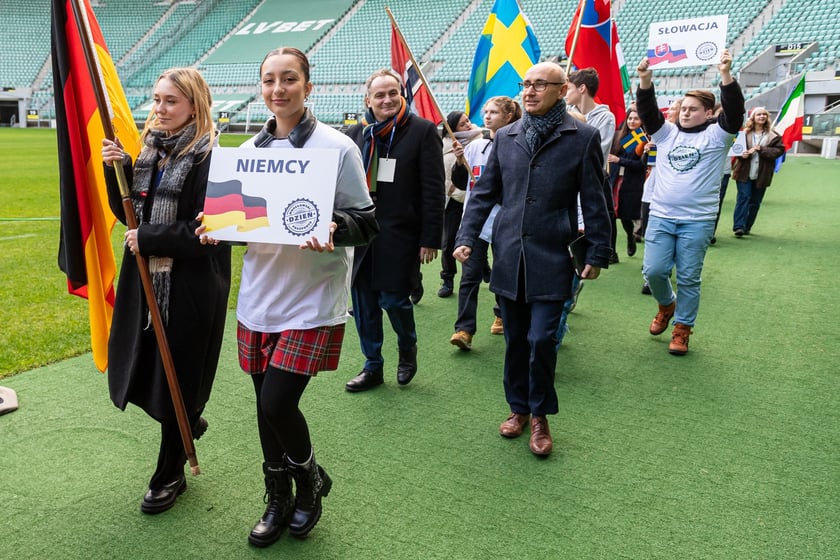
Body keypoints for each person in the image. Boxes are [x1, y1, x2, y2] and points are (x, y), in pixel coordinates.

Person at [199, 47, 377, 546]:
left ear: (308, 85)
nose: (278, 89)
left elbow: (368, 222)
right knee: (263, 405)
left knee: (278, 403)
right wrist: (217, 229)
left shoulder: (336, 146)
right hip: (259, 296)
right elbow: (247, 223)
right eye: (270, 80)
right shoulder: (248, 152)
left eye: (289, 79)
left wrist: (336, 226)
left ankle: (309, 484)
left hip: (310, 297)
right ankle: (277, 497)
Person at [454, 62, 612, 457]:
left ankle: (540, 415)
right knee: (514, 340)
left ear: (562, 90)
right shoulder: (505, 136)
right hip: (508, 253)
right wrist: (467, 236)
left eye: (540, 85)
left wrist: (597, 251)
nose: (530, 91)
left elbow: (595, 199)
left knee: (542, 339)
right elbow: (484, 192)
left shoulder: (583, 137)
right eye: (526, 84)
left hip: (554, 253)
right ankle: (518, 408)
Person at [101, 68, 231, 514]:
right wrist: (114, 171)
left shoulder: (209, 158)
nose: (159, 109)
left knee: (180, 375)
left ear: (194, 105)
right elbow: (131, 216)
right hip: (147, 282)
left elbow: (213, 233)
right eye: (156, 100)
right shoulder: (148, 152)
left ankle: (169, 471)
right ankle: (189, 420)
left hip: (192, 288)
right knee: (150, 372)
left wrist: (151, 239)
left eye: (170, 101)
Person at [636, 49, 745, 355]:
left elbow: (735, 112)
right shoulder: (667, 134)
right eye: (683, 108)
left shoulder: (717, 136)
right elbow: (647, 113)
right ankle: (666, 305)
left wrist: (725, 74)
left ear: (709, 113)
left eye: (693, 109)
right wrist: (645, 80)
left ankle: (682, 328)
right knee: (654, 271)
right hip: (661, 215)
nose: (685, 112)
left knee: (688, 277)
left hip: (697, 221)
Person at [343, 69, 445, 392]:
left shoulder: (423, 131)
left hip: (400, 233)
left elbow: (433, 189)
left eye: (392, 93)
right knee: (363, 303)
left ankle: (407, 348)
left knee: (394, 300)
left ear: (401, 94)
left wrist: (430, 238)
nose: (387, 99)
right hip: (360, 234)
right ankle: (372, 365)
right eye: (379, 95)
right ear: (368, 100)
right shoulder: (356, 134)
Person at [449, 96, 521, 350]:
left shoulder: (517, 146)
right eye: (486, 112)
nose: (487, 116)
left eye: (494, 112)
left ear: (509, 116)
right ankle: (464, 329)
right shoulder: (474, 146)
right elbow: (460, 182)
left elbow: (517, 187)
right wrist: (460, 161)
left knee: (503, 272)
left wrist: (490, 190)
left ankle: (501, 313)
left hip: (504, 221)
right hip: (476, 222)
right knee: (469, 275)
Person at [566, 67, 619, 264]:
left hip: (593, 176)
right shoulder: (565, 113)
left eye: (569, 88)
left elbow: (600, 151)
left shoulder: (606, 117)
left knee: (598, 215)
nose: (565, 93)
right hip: (569, 177)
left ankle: (600, 253)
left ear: (581, 89)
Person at [438, 111, 483, 298]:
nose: (468, 125)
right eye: (463, 123)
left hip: (475, 200)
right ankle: (447, 279)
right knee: (449, 242)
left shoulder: (481, 142)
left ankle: (484, 268)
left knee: (479, 239)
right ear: (453, 127)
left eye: (468, 122)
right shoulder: (443, 146)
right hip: (453, 200)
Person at [731, 107, 785, 236]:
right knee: (743, 197)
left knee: (755, 202)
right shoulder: (744, 133)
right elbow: (736, 149)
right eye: (758, 114)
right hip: (744, 172)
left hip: (762, 173)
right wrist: (741, 154)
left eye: (764, 115)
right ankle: (739, 226)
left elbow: (778, 151)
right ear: (753, 118)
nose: (761, 117)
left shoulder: (773, 135)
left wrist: (762, 149)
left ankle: (747, 226)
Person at [607, 107, 648, 258]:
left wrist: (619, 160)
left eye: (636, 119)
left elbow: (641, 166)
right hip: (614, 181)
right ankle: (612, 253)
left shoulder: (643, 139)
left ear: (641, 121)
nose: (632, 121)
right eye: (630, 118)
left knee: (625, 217)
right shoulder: (618, 135)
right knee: (611, 217)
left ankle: (630, 236)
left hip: (630, 184)